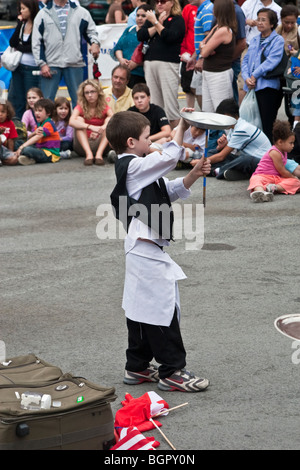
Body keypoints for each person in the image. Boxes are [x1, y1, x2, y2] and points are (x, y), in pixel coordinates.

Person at [107, 109, 211, 392]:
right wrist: (184, 125)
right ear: (131, 142)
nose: (149, 139)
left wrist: (191, 175)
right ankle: (172, 371)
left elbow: (169, 188)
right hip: (145, 249)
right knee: (164, 309)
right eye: (145, 136)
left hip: (143, 249)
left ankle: (137, 366)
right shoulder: (133, 166)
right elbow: (169, 156)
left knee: (141, 308)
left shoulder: (138, 167)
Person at [205, 98, 300, 181]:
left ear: (228, 116)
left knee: (245, 159)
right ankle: (235, 171)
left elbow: (221, 156)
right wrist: (220, 147)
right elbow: (225, 153)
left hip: (261, 162)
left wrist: (201, 162)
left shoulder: (242, 129)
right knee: (212, 153)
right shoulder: (234, 128)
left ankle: (216, 171)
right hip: (250, 161)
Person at [32, 0, 100, 109]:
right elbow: (36, 41)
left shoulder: (81, 12)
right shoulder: (43, 14)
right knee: (46, 102)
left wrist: (95, 43)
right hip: (50, 65)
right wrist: (42, 64)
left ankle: (80, 126)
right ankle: (44, 126)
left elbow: (91, 31)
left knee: (79, 102)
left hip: (75, 62)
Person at [137, 0, 185, 128]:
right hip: (150, 62)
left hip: (168, 63)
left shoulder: (177, 19)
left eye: (163, 1)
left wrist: (157, 23)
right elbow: (141, 35)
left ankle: (176, 137)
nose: (159, 4)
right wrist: (156, 23)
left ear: (172, 3)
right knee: (155, 102)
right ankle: (159, 134)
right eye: (157, 1)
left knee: (170, 102)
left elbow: (170, 37)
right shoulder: (153, 18)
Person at [241, 8, 285, 143]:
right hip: (252, 86)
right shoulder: (254, 40)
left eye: (263, 20)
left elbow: (272, 61)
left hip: (268, 87)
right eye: (258, 19)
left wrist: (254, 76)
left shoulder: (278, 40)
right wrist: (247, 77)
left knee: (267, 123)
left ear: (272, 24)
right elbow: (246, 61)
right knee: (250, 121)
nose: (259, 22)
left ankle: (269, 155)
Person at [248, 120, 300, 202]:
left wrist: (294, 179)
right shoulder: (275, 152)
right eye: (291, 143)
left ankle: (272, 188)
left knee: (296, 183)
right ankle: (260, 192)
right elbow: (282, 171)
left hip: (275, 179)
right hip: (263, 176)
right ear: (280, 142)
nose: (293, 146)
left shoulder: (284, 151)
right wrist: (293, 176)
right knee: (255, 179)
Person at [199, 0, 237, 113]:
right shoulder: (217, 27)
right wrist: (205, 48)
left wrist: (205, 49)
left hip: (219, 75)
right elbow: (202, 45)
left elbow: (204, 52)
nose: (212, 9)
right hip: (208, 72)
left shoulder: (224, 30)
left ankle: (225, 132)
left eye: (215, 7)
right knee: (207, 111)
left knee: (221, 111)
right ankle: (211, 132)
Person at [8, 0, 40, 119]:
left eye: (23, 9)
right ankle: (19, 127)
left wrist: (19, 47)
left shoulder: (39, 24)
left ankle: (32, 125)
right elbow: (12, 42)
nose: (21, 11)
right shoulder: (22, 23)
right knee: (17, 98)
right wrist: (20, 23)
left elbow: (33, 47)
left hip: (32, 68)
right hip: (19, 67)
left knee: (31, 100)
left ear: (31, 9)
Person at [69, 79, 113, 166]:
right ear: (83, 95)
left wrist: (101, 129)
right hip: (83, 145)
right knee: (78, 119)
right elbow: (71, 121)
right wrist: (90, 127)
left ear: (98, 92)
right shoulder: (80, 106)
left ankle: (98, 155)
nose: (90, 95)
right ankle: (89, 155)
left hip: (100, 143)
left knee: (109, 120)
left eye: (93, 92)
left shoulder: (104, 106)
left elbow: (113, 118)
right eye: (87, 92)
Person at [112, 4, 152, 88]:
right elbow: (118, 47)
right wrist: (121, 59)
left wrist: (137, 63)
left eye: (143, 16)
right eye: (138, 15)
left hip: (141, 74)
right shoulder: (129, 30)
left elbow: (152, 55)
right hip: (124, 73)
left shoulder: (151, 33)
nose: (140, 18)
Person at [15, 98, 61, 165]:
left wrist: (21, 147)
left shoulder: (49, 124)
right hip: (39, 149)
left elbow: (37, 137)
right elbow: (30, 137)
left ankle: (27, 157)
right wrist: (34, 132)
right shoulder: (39, 124)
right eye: (35, 110)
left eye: (40, 111)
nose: (36, 113)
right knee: (18, 143)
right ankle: (29, 158)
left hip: (49, 154)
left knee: (26, 149)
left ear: (48, 113)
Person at [186, 0, 214, 109]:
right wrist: (194, 57)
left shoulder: (207, 10)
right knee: (195, 89)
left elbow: (209, 37)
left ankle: (208, 120)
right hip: (201, 57)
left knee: (202, 92)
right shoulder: (203, 9)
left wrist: (202, 58)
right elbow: (202, 39)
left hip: (206, 59)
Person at [180, 0, 198, 108]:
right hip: (189, 56)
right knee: (188, 88)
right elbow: (183, 31)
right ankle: (190, 118)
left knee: (202, 90)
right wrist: (183, 52)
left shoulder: (211, 7)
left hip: (205, 56)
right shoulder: (188, 8)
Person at [0, 101, 19, 166]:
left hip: (3, 150)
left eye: (3, 112)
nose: (0, 114)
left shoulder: (10, 123)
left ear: (7, 113)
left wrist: (11, 152)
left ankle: (2, 161)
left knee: (14, 159)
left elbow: (11, 140)